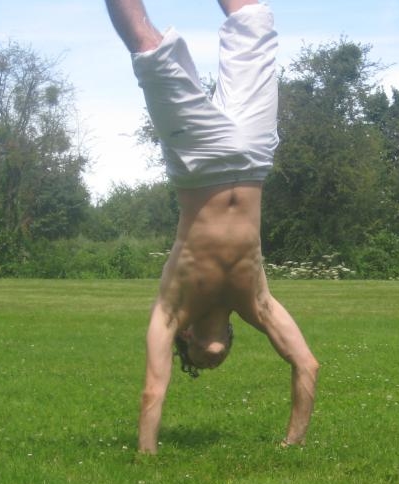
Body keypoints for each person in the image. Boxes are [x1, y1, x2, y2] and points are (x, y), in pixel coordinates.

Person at [104, 0, 319, 454]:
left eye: (200, 361)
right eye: (216, 360)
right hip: (254, 156)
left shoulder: (171, 312)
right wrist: (292, 444)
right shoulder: (257, 305)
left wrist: (146, 455)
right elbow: (307, 365)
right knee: (253, 19)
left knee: (148, 50)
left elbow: (153, 390)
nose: (212, 360)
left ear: (187, 339)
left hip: (198, 160)